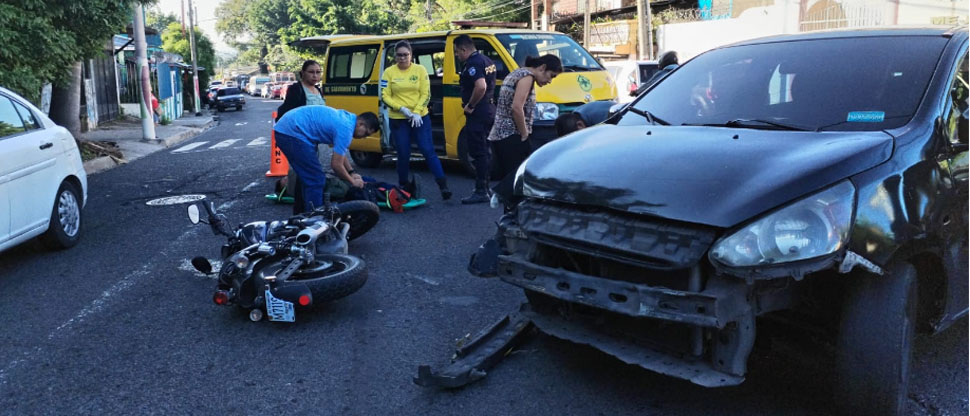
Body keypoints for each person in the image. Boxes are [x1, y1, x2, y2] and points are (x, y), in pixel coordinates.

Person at [273, 105, 380, 213]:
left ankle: (301, 215)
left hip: (288, 128)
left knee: (306, 178)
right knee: (316, 180)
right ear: (361, 124)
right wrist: (353, 182)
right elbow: (336, 165)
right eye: (366, 133)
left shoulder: (348, 119)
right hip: (292, 132)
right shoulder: (346, 129)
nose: (364, 137)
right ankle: (314, 221)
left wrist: (351, 172)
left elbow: (340, 154)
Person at [382, 40, 451, 200]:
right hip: (399, 118)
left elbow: (425, 93)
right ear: (395, 56)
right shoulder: (389, 72)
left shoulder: (420, 70)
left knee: (427, 150)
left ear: (411, 55)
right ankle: (403, 185)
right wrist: (402, 109)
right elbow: (384, 95)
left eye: (406, 55)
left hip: (419, 117)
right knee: (403, 153)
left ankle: (443, 186)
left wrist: (417, 112)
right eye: (399, 55)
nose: (402, 58)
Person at [487, 54, 562, 180]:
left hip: (501, 133)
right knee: (516, 179)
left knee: (508, 179)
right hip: (511, 134)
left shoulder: (519, 72)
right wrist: (524, 134)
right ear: (542, 68)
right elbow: (517, 107)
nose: (549, 81)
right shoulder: (527, 77)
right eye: (551, 76)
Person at [454, 35, 498, 205]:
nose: (458, 56)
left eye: (458, 52)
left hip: (478, 112)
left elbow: (481, 86)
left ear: (464, 49)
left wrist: (471, 105)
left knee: (478, 151)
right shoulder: (487, 60)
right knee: (485, 150)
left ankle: (481, 190)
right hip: (488, 110)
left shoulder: (473, 63)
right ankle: (486, 188)